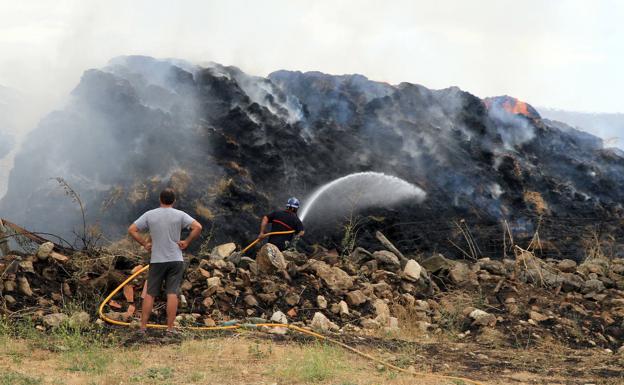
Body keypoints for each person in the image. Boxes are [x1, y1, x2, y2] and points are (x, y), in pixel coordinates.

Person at [128, 188, 202, 333]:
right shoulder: (180, 215)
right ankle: (170, 329)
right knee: (172, 293)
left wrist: (144, 243)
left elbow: (132, 229)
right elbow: (198, 227)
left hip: (157, 260)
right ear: (174, 201)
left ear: (160, 200)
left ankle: (143, 328)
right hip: (175, 259)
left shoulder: (150, 215)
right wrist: (186, 242)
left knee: (150, 294)